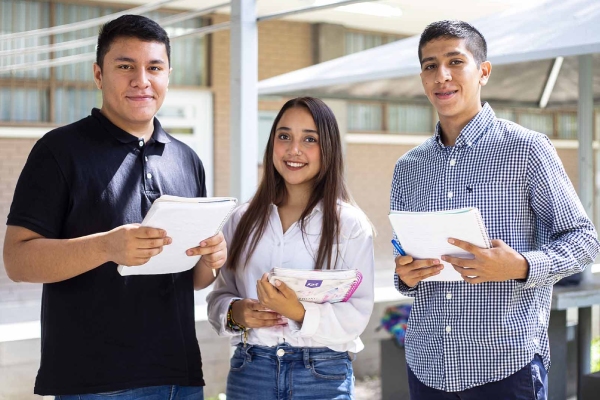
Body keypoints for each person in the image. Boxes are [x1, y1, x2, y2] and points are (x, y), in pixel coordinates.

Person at [3, 15, 226, 399]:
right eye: (125, 66)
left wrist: (211, 256)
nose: (142, 79)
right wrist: (107, 246)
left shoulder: (187, 159)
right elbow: (17, 261)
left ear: (168, 75)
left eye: (154, 67)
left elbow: (192, 280)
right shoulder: (59, 151)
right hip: (93, 382)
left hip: (180, 377)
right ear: (98, 74)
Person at [391, 20, 600, 399]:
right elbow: (403, 266)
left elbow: (585, 241)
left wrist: (519, 266)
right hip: (427, 367)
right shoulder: (408, 168)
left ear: (483, 71)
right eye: (429, 65)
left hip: (505, 366)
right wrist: (406, 274)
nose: (442, 76)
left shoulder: (527, 149)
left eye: (455, 62)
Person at [206, 97, 374, 400]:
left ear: (329, 149)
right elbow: (219, 297)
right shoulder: (240, 220)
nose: (293, 149)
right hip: (251, 371)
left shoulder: (349, 225)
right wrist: (236, 313)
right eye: (284, 136)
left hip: (321, 375)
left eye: (309, 139)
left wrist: (297, 312)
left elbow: (357, 314)